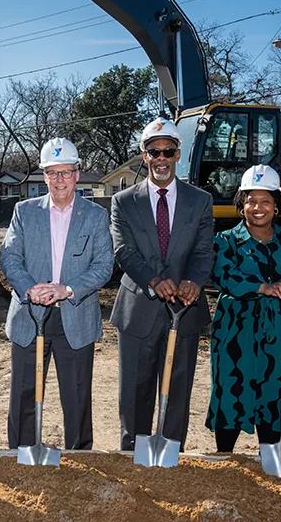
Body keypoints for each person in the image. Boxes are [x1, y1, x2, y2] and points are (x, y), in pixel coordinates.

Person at [0, 137, 114, 450]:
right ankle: (21, 454)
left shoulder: (95, 216)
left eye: (66, 172)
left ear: (77, 174)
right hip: (29, 315)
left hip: (75, 318)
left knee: (77, 396)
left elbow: (104, 265)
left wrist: (66, 289)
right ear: (44, 176)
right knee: (24, 393)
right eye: (53, 173)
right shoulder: (24, 212)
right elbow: (10, 256)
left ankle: (79, 456)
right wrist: (29, 288)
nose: (59, 180)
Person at [110, 117, 215, 451]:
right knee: (134, 392)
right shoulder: (124, 201)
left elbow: (203, 251)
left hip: (184, 309)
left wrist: (194, 281)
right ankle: (133, 455)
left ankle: (170, 456)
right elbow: (123, 250)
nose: (161, 159)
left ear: (178, 154)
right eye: (154, 152)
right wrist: (153, 281)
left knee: (177, 390)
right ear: (144, 155)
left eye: (168, 151)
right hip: (138, 309)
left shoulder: (200, 201)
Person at [205, 164, 281, 452]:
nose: (258, 208)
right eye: (251, 201)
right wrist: (264, 288)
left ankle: (271, 456)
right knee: (233, 391)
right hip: (236, 331)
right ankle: (225, 459)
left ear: (276, 205)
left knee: (275, 392)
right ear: (241, 203)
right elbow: (224, 276)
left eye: (266, 201)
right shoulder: (225, 242)